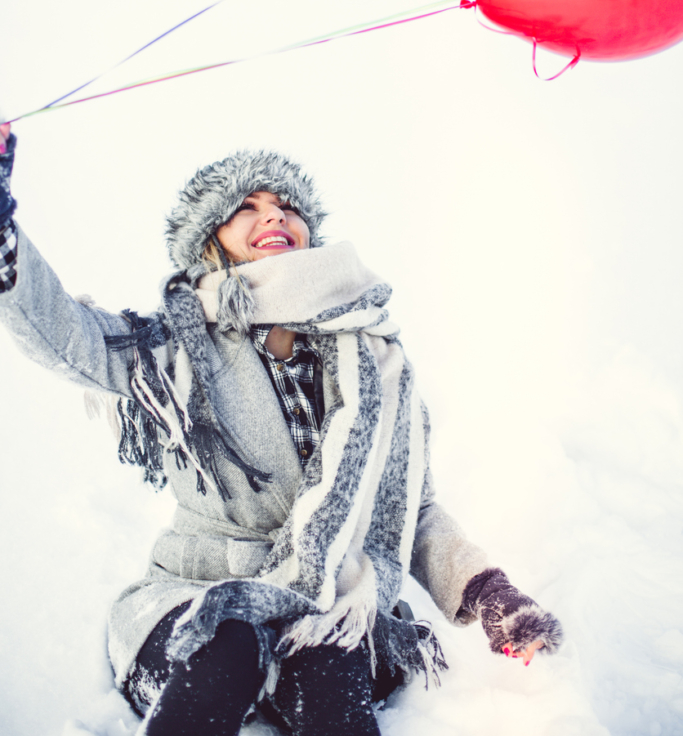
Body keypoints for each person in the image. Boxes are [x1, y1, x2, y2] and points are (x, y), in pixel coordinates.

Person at [0, 126, 562, 736]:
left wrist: (488, 592)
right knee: (231, 636)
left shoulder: (376, 359)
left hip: (333, 604)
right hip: (195, 596)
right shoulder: (173, 346)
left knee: (325, 654)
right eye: (246, 208)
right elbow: (65, 333)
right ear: (209, 242)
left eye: (286, 207)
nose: (274, 216)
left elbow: (408, 508)